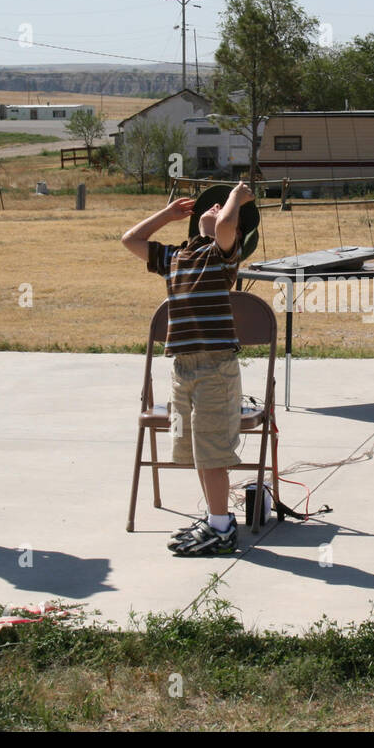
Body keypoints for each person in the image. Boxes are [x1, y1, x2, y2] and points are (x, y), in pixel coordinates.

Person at [121, 183, 258, 555]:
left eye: (220, 208)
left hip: (215, 368)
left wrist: (235, 198)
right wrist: (167, 214)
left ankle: (222, 526)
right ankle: (216, 521)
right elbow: (130, 239)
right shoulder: (176, 256)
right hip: (182, 369)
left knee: (212, 449)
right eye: (209, 206)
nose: (214, 207)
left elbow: (228, 224)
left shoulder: (222, 256)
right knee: (195, 448)